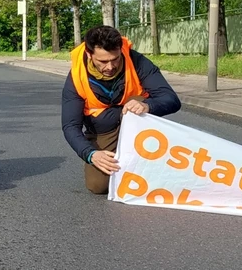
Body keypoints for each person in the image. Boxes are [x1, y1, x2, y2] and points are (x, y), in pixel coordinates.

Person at [62, 25, 181, 194]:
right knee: (97, 186)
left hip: (136, 119)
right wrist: (91, 154)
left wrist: (148, 106)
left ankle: (150, 163)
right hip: (103, 129)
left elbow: (171, 99)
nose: (110, 67)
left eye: (115, 59)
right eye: (103, 61)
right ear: (90, 55)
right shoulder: (76, 76)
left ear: (120, 50)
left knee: (139, 101)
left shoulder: (136, 60)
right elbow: (70, 126)